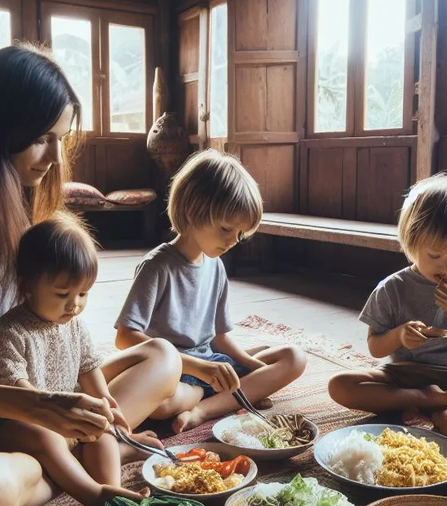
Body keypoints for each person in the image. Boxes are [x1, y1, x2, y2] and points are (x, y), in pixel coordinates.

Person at [0, 44, 181, 506]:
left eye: (61, 139)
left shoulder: (32, 214)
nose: (55, 157)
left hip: (48, 396)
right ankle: (81, 466)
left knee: (163, 358)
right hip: (6, 410)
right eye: (40, 138)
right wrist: (40, 406)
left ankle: (73, 460)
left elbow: (67, 338)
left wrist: (78, 406)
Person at [115, 149, 307, 433]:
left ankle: (202, 411)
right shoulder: (157, 266)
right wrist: (198, 368)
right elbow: (125, 338)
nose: (233, 241)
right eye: (227, 228)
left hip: (211, 364)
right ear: (194, 211)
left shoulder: (215, 265)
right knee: (161, 406)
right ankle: (229, 397)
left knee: (294, 357)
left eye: (240, 234)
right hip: (173, 371)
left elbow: (218, 337)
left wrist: (251, 365)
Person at [0, 214, 169, 506]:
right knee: (45, 437)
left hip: (70, 419)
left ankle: (114, 488)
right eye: (62, 295)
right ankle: (95, 495)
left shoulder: (74, 325)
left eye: (83, 294)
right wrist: (51, 417)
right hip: (27, 424)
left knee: (100, 427)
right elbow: (15, 385)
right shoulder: (10, 331)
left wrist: (107, 405)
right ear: (28, 284)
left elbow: (88, 368)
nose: (74, 305)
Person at [328, 171, 447, 441]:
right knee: (340, 386)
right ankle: (422, 399)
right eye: (435, 255)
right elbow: (375, 348)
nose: (446, 266)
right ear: (412, 241)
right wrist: (399, 335)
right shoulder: (393, 288)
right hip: (402, 375)